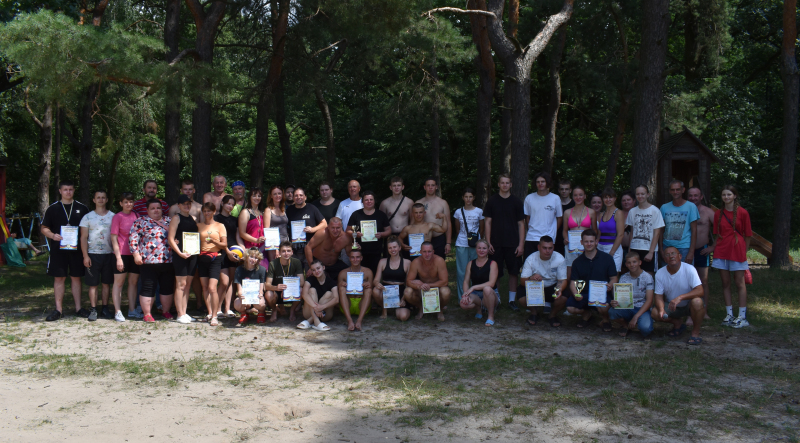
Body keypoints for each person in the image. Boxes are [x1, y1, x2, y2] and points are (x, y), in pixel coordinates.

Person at [41, 180, 90, 321]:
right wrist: (52, 236)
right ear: (60, 191)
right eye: (65, 189)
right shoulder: (53, 208)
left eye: (70, 189)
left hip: (77, 250)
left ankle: (78, 308)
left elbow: (88, 229)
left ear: (74, 190)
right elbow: (44, 228)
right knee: (59, 278)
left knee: (76, 277)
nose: (68, 192)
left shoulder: (82, 208)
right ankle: (58, 310)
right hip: (58, 250)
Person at [711, 185, 752, 328]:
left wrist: (744, 251)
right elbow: (717, 234)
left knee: (740, 283)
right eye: (724, 195)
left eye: (729, 194)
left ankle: (742, 316)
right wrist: (713, 248)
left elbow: (748, 234)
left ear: (735, 196)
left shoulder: (743, 212)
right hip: (722, 251)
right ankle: (729, 314)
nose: (726, 197)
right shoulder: (718, 213)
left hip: (737, 250)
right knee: (725, 283)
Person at [484, 174, 525, 311]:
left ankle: (511, 301)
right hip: (495, 243)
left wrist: (521, 244)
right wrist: (488, 242)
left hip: (513, 243)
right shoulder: (492, 201)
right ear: (498, 184)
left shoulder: (517, 202)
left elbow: (521, 224)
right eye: (502, 182)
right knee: (495, 273)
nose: (505, 185)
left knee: (513, 272)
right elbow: (487, 222)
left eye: (507, 183)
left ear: (511, 185)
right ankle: (496, 300)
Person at [129, 199, 175, 322]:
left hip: (168, 261)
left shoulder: (170, 221)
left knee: (167, 288)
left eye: (158, 208)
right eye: (153, 208)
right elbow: (133, 239)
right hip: (148, 262)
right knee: (148, 288)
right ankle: (147, 314)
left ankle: (166, 311)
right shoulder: (140, 222)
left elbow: (177, 236)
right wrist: (136, 254)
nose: (156, 210)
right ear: (147, 210)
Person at [652, 247, 705, 344]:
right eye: (667, 255)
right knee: (655, 312)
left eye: (673, 253)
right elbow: (658, 295)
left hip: (689, 304)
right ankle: (677, 323)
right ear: (665, 259)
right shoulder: (660, 273)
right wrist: (661, 309)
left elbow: (700, 291)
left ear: (680, 256)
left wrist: (680, 298)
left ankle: (695, 332)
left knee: (697, 302)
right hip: (672, 306)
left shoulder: (689, 269)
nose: (671, 256)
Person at [567, 230, 618, 330]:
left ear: (596, 242)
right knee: (570, 308)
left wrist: (611, 284)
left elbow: (614, 278)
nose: (589, 244)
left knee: (603, 306)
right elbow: (573, 282)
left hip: (602, 294)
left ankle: (606, 320)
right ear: (581, 242)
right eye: (586, 241)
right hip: (584, 294)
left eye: (591, 241)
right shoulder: (577, 262)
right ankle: (587, 314)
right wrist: (576, 294)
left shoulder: (607, 258)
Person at [79, 190, 116, 321]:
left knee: (106, 283)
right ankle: (93, 309)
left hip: (108, 254)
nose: (101, 200)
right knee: (93, 284)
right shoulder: (87, 217)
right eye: (98, 197)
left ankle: (105, 308)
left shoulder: (113, 216)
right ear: (94, 200)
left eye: (103, 197)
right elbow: (83, 237)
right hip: (92, 255)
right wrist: (85, 256)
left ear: (107, 200)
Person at [515, 236, 567, 327]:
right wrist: (531, 278)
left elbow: (562, 280)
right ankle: (534, 313)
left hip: (552, 286)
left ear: (553, 248)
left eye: (550, 248)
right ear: (539, 247)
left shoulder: (559, 258)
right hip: (536, 286)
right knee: (521, 295)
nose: (547, 251)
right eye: (544, 248)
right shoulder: (531, 259)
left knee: (565, 295)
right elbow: (522, 281)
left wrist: (559, 289)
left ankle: (552, 315)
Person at [608, 252, 654, 338]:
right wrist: (616, 302)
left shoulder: (647, 277)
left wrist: (636, 317)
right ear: (626, 264)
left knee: (646, 329)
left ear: (640, 262)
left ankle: (638, 321)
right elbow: (621, 297)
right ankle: (626, 325)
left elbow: (649, 300)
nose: (632, 265)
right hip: (627, 307)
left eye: (634, 262)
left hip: (642, 308)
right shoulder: (623, 277)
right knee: (612, 312)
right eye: (629, 263)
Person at [167, 194, 198, 323]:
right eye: (184, 204)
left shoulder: (193, 218)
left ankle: (185, 312)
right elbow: (170, 239)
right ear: (179, 205)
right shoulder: (176, 218)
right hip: (180, 256)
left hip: (193, 255)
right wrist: (180, 253)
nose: (187, 206)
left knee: (187, 285)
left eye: (188, 203)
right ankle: (180, 314)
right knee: (181, 285)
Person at [196, 202, 228, 326]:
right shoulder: (198, 225)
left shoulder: (220, 226)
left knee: (212, 288)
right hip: (202, 258)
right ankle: (209, 313)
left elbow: (224, 244)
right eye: (204, 211)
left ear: (214, 212)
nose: (207, 213)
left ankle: (215, 316)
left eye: (209, 211)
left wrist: (214, 241)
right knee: (204, 287)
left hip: (216, 258)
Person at [110, 192, 140, 321]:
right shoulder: (117, 217)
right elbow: (114, 238)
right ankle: (117, 311)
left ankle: (132, 310)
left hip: (135, 254)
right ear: (121, 203)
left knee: (133, 283)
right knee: (119, 283)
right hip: (121, 254)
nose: (129, 204)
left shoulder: (137, 216)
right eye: (126, 202)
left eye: (131, 201)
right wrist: (118, 258)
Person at [687, 186, 715, 322]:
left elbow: (722, 230)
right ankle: (689, 312)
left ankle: (704, 310)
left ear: (701, 197)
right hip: (686, 250)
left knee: (703, 281)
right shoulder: (684, 210)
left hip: (702, 250)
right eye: (690, 195)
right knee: (687, 282)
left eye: (696, 195)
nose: (693, 198)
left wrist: (712, 247)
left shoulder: (708, 212)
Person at [345, 191, 391, 274]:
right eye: (366, 200)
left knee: (374, 273)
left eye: (371, 199)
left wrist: (381, 234)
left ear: (374, 201)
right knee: (360, 274)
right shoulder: (356, 214)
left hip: (376, 251)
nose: (369, 201)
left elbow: (389, 230)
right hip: (360, 251)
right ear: (362, 201)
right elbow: (348, 230)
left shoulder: (381, 215)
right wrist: (355, 234)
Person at [404, 242, 451, 321]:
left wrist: (426, 285)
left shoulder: (439, 260)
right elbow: (408, 281)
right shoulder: (416, 262)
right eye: (424, 252)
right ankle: (421, 307)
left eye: (429, 251)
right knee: (407, 292)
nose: (427, 254)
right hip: (422, 290)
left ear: (433, 252)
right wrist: (419, 286)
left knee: (446, 291)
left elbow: (445, 282)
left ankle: (440, 309)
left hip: (437, 289)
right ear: (420, 252)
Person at [625, 185, 664, 274]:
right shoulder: (632, 211)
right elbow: (632, 232)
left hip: (648, 248)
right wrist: (630, 249)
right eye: (638, 194)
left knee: (648, 275)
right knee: (634, 274)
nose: (640, 196)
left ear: (648, 195)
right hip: (635, 247)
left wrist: (651, 252)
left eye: (642, 194)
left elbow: (657, 234)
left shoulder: (655, 211)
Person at [453, 188, 484, 299]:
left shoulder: (479, 211)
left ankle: (475, 296)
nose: (468, 199)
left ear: (474, 197)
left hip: (475, 244)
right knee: (462, 271)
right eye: (466, 197)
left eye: (470, 196)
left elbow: (481, 228)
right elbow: (457, 229)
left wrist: (477, 240)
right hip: (462, 243)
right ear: (463, 198)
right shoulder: (458, 212)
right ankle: (462, 296)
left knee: (476, 270)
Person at [523, 172, 562, 260]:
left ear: (547, 182)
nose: (540, 184)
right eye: (538, 182)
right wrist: (532, 228)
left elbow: (559, 217)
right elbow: (527, 217)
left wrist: (553, 231)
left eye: (543, 181)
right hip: (532, 237)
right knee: (529, 264)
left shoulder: (555, 198)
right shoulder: (529, 198)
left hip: (548, 238)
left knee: (547, 265)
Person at [215, 195, 243, 317]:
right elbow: (216, 238)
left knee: (231, 281)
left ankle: (227, 309)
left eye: (232, 204)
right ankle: (217, 309)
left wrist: (242, 251)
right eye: (228, 203)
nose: (230, 206)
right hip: (222, 252)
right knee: (224, 282)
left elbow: (237, 236)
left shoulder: (235, 219)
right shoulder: (216, 218)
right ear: (222, 203)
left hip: (234, 252)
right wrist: (227, 251)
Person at [459, 240, 499, 326]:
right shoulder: (470, 263)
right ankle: (479, 309)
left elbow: (491, 283)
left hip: (490, 294)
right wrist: (466, 294)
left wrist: (473, 287)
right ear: (476, 249)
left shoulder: (493, 263)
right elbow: (466, 281)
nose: (481, 250)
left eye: (484, 248)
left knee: (487, 289)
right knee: (463, 304)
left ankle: (491, 316)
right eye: (479, 248)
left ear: (488, 250)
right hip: (476, 295)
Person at [659, 180, 698, 266]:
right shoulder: (664, 207)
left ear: (683, 190)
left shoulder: (691, 207)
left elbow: (694, 230)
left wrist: (691, 252)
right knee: (667, 272)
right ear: (669, 191)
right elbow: (661, 230)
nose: (675, 192)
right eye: (673, 190)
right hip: (667, 246)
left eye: (678, 189)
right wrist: (661, 249)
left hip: (684, 247)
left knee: (685, 272)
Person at [372, 236, 412, 320]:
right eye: (390, 248)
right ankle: (384, 308)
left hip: (400, 291)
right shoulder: (382, 262)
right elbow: (376, 280)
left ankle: (397, 308)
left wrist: (403, 298)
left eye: (394, 247)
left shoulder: (407, 262)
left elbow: (409, 283)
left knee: (403, 317)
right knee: (375, 290)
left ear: (399, 248)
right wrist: (377, 284)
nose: (392, 250)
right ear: (387, 249)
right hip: (385, 290)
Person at [286, 187, 327, 268]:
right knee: (296, 272)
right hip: (295, 247)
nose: (298, 197)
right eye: (296, 195)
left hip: (310, 246)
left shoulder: (312, 208)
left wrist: (313, 229)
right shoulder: (289, 210)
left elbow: (324, 223)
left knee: (311, 270)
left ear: (305, 197)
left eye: (301, 195)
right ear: (293, 198)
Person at [562, 186, 597, 279]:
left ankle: (586, 287)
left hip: (586, 244)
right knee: (570, 268)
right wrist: (566, 238)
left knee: (586, 267)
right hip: (571, 244)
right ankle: (570, 288)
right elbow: (564, 230)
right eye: (575, 195)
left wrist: (594, 242)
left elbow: (595, 230)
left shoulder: (591, 212)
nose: (578, 197)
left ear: (585, 196)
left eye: (580, 195)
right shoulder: (567, 212)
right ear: (572, 196)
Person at [265, 241, 305, 322]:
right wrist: (276, 288)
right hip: (277, 291)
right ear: (279, 252)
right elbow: (267, 285)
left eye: (288, 251)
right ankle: (274, 310)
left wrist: (288, 288)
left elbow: (302, 282)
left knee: (301, 290)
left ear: (292, 252)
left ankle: (292, 310)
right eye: (283, 251)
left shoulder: (296, 262)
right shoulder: (273, 264)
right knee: (268, 294)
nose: (286, 253)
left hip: (291, 290)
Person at [337, 247, 374, 331]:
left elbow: (371, 288)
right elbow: (338, 290)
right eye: (352, 257)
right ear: (349, 258)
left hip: (362, 304)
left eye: (357, 257)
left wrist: (368, 285)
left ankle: (359, 321)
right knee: (342, 289)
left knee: (369, 290)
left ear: (361, 258)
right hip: (348, 303)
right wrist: (341, 284)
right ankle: (349, 321)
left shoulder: (368, 272)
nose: (355, 260)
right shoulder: (343, 273)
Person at [304, 217, 352, 281]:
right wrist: (312, 267)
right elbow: (308, 247)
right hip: (318, 262)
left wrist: (355, 248)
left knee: (349, 274)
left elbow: (349, 253)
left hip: (334, 264)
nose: (335, 231)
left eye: (338, 228)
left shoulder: (345, 238)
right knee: (312, 279)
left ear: (341, 227)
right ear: (328, 227)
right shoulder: (322, 233)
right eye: (333, 228)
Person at [297, 259, 339, 331]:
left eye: (318, 268)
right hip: (309, 313)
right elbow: (304, 294)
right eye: (313, 270)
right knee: (312, 290)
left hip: (325, 314)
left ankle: (309, 321)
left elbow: (336, 299)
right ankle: (317, 322)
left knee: (329, 293)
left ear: (323, 267)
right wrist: (316, 307)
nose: (316, 271)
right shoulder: (309, 280)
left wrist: (322, 307)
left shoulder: (331, 282)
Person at [416, 177, 452, 259]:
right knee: (422, 263)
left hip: (439, 238)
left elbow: (448, 223)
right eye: (428, 185)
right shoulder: (419, 203)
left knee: (439, 261)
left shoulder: (443, 203)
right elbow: (413, 223)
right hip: (423, 238)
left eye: (432, 185)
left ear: (436, 187)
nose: (430, 187)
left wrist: (448, 243)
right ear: (424, 187)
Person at [233, 248, 268, 325]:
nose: (253, 259)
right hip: (245, 295)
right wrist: (241, 296)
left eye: (256, 258)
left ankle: (261, 313)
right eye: (251, 256)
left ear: (258, 259)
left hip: (256, 296)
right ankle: (244, 313)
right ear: (246, 257)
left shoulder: (262, 270)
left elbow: (261, 289)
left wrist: (260, 294)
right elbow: (239, 290)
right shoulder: (239, 269)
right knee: (237, 303)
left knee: (261, 303)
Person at [595, 187, 624, 272]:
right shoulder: (601, 214)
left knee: (613, 274)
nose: (608, 200)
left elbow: (620, 235)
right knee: (601, 273)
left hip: (613, 248)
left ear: (615, 198)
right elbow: (599, 233)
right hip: (600, 248)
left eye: (610, 197)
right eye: (605, 197)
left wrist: (612, 252)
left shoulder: (618, 213)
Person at [238, 187, 266, 258]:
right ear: (250, 197)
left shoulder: (262, 213)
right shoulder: (245, 212)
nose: (257, 198)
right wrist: (256, 240)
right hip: (250, 248)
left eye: (259, 196)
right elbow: (242, 233)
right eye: (254, 196)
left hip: (263, 248)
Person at [264, 185, 289, 262]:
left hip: (286, 242)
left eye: (279, 193)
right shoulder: (268, 210)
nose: (277, 196)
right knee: (275, 266)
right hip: (273, 245)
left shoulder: (284, 209)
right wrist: (275, 248)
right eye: (275, 194)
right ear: (271, 196)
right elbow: (267, 230)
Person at [554, 179, 574, 255]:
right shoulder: (554, 204)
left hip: (571, 238)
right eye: (562, 189)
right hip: (556, 237)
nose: (564, 191)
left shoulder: (575, 205)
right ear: (559, 190)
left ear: (570, 190)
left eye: (566, 189)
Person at [619, 190, 636, 262]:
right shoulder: (617, 214)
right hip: (618, 248)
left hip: (634, 248)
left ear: (634, 201)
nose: (626, 202)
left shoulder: (638, 214)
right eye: (624, 200)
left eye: (628, 200)